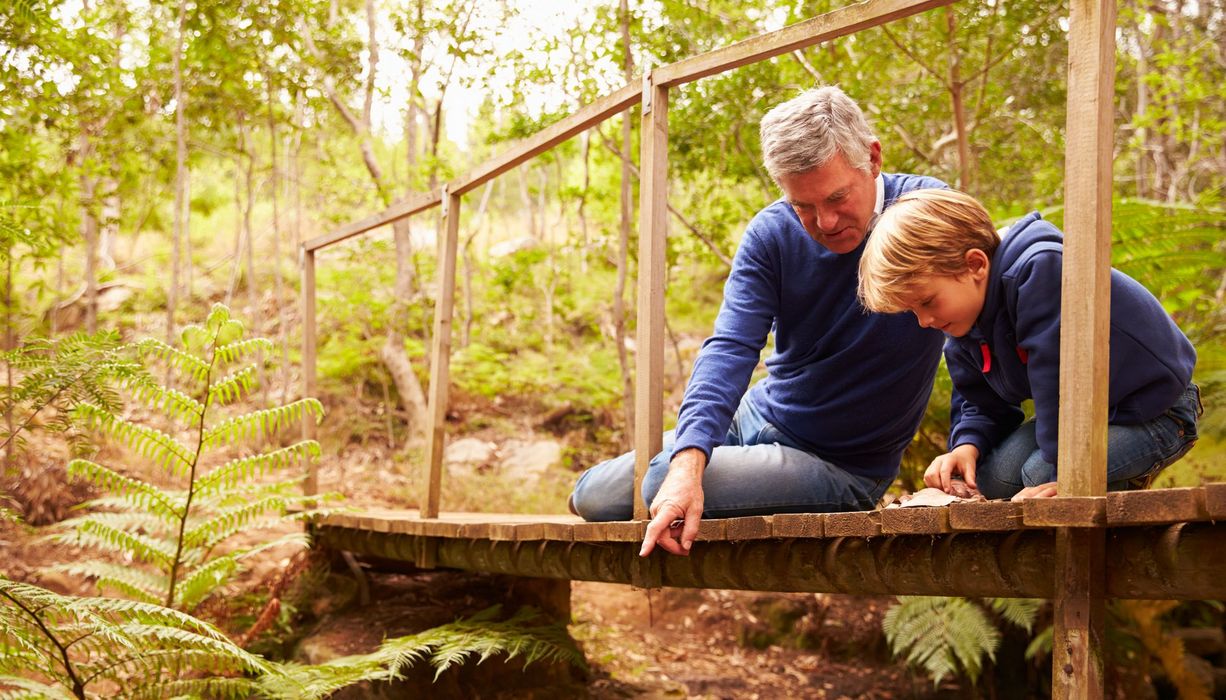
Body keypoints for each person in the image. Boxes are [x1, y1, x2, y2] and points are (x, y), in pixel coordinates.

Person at [569, 86, 950, 557]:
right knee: (596, 495)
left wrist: (972, 442)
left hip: (836, 465)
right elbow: (730, 347)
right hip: (756, 415)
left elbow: (978, 322)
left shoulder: (926, 212)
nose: (825, 222)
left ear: (872, 159)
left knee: (651, 488)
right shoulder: (772, 232)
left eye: (836, 198)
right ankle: (694, 464)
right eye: (804, 207)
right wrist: (690, 463)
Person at [857, 188, 1201, 500]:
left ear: (975, 264)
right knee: (991, 481)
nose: (924, 321)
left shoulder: (1040, 272)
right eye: (913, 310)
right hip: (1085, 417)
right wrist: (967, 445)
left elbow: (1063, 384)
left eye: (927, 302)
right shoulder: (963, 319)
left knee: (1037, 475)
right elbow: (981, 401)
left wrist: (1059, 481)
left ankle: (1118, 500)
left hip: (1156, 410)